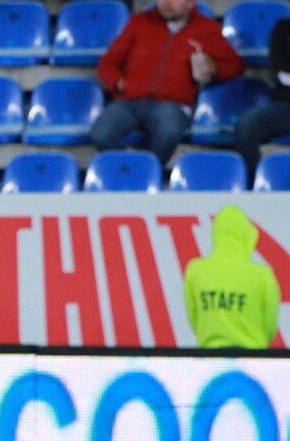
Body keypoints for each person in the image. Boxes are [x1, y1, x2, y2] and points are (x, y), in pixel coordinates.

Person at [90, 0, 243, 165]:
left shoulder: (207, 29)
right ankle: (132, 168)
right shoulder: (139, 22)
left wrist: (213, 68)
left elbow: (235, 66)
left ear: (190, 3)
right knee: (101, 135)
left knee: (168, 135)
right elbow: (108, 62)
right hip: (129, 100)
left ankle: (147, 172)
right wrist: (117, 83)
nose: (166, 3)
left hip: (172, 104)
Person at [184, 204, 280, 349]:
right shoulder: (263, 275)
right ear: (246, 235)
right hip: (253, 356)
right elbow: (269, 326)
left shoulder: (195, 270)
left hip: (209, 356)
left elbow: (195, 320)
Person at [233, 18, 290, 183]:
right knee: (248, 124)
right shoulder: (284, 29)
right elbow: (282, 75)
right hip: (286, 105)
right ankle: (253, 184)